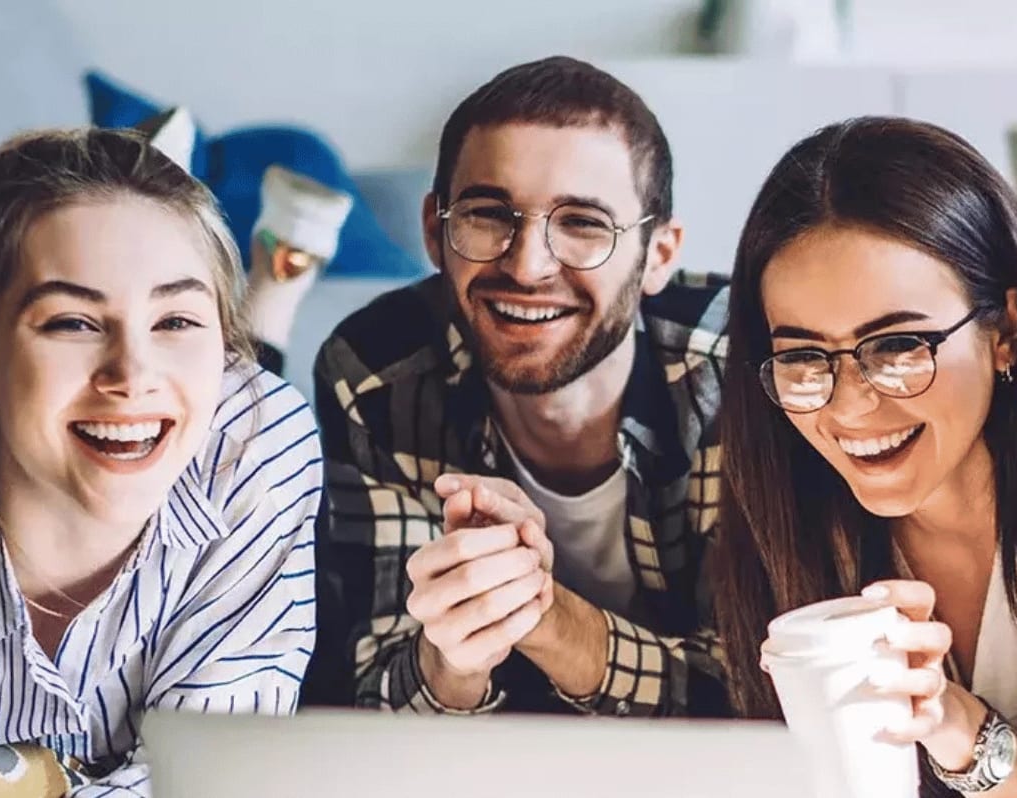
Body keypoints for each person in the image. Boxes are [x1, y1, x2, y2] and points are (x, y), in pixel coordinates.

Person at [712, 116, 1017, 796]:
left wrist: (953, 721)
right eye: (802, 356)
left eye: (898, 347)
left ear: (1006, 332)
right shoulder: (793, 500)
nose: (848, 407)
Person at [0, 128, 323, 794]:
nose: (131, 374)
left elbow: (212, 778)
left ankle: (269, 291)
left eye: (176, 321)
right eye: (72, 322)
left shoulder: (256, 441)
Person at [302, 56, 730, 716]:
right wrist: (452, 657)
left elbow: (764, 691)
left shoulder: (738, 369)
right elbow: (371, 699)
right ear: (433, 231)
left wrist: (545, 618)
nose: (527, 267)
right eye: (487, 214)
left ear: (658, 257)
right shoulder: (376, 375)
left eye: (583, 223)